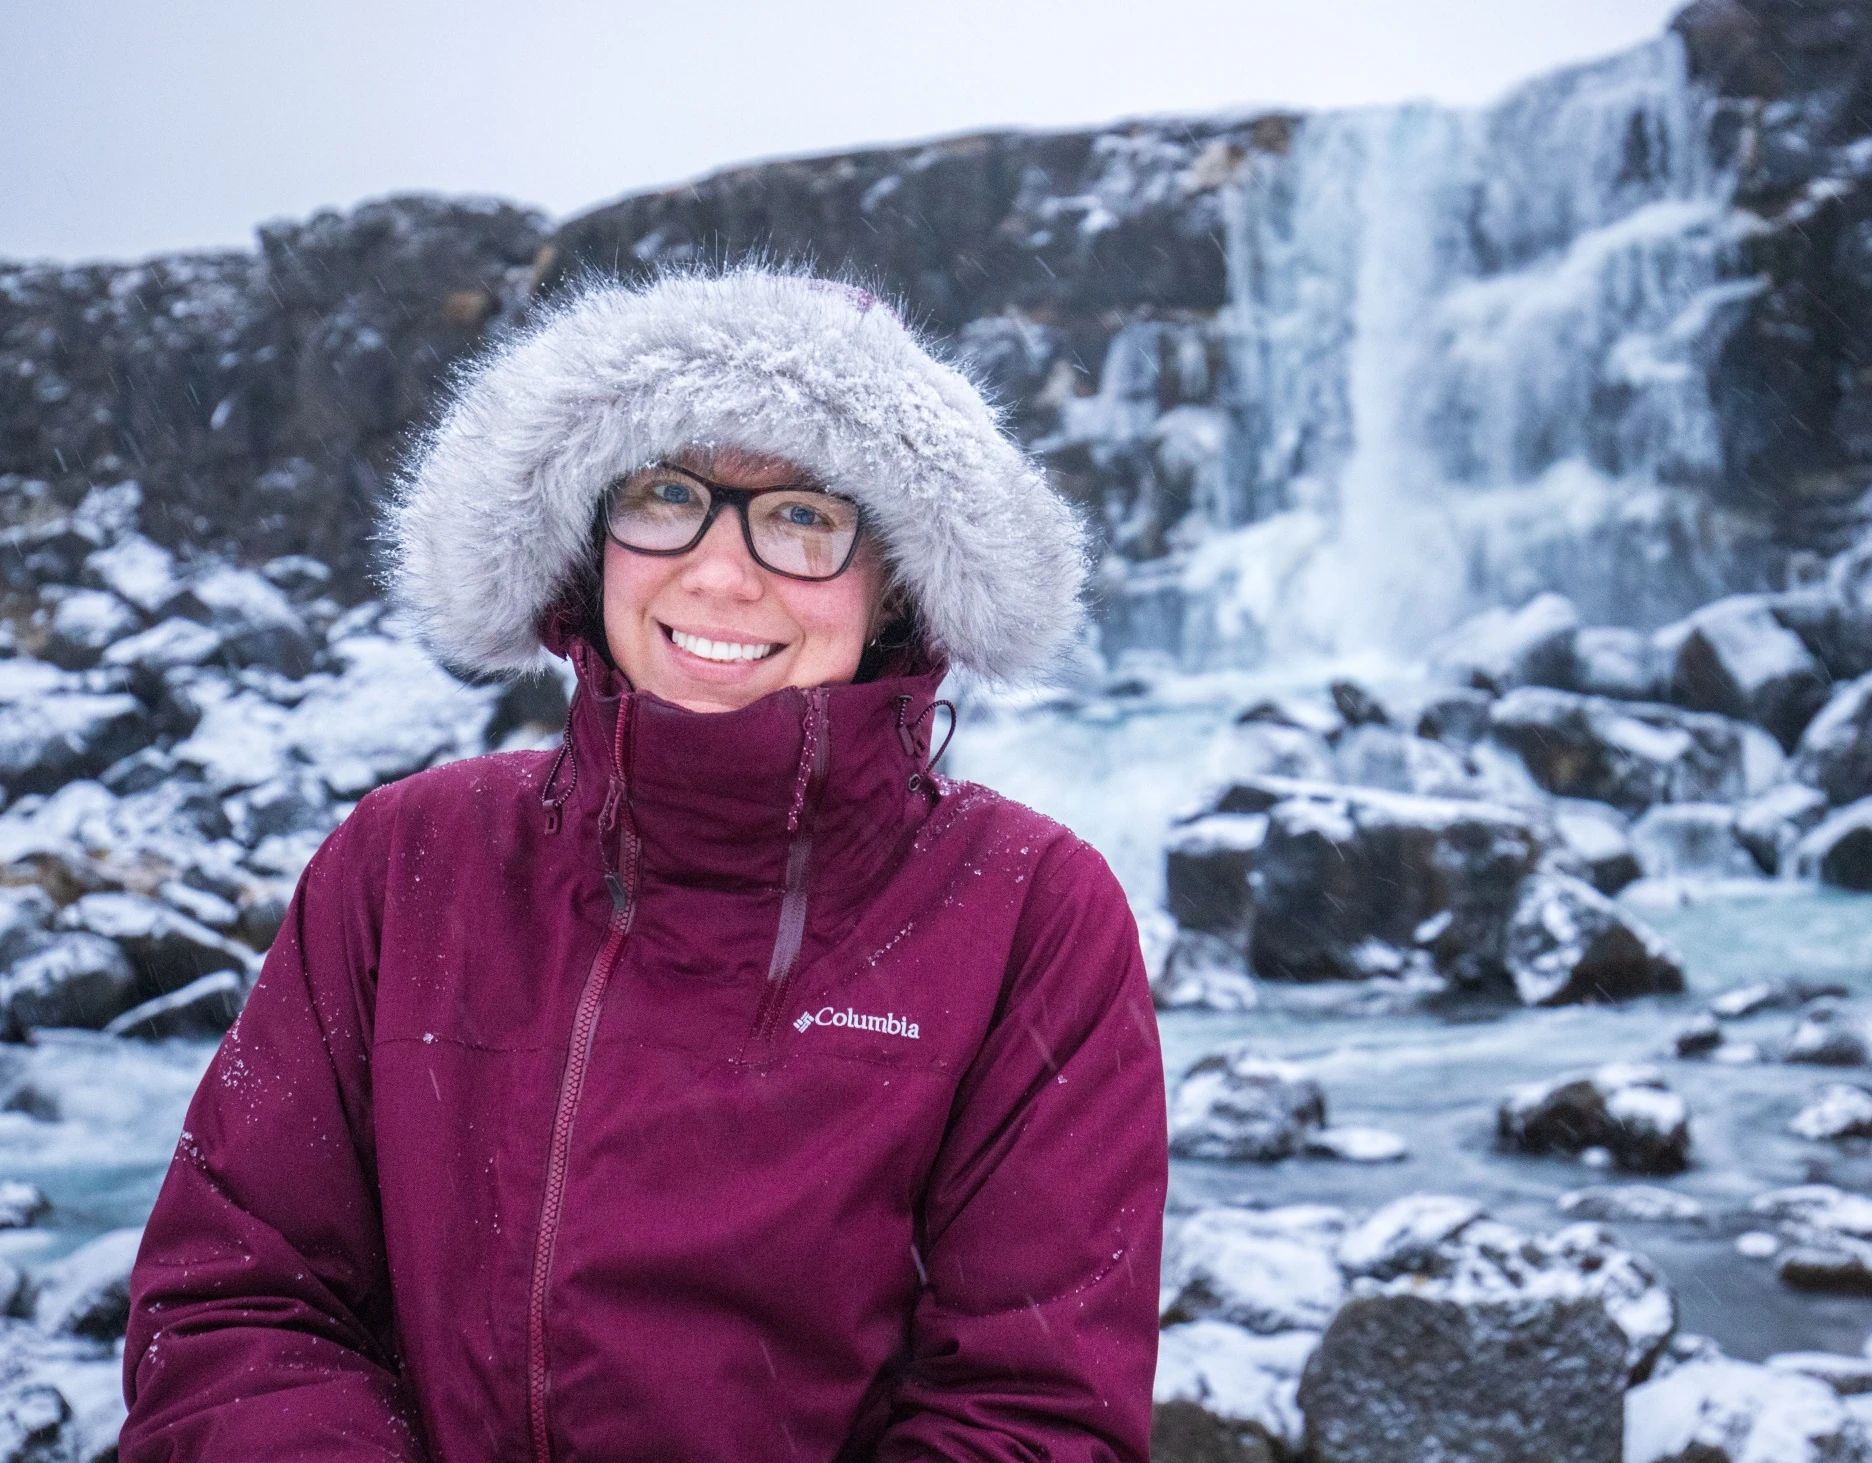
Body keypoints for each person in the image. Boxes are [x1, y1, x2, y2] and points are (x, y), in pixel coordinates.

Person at [118, 266, 1170, 1461]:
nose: (719, 573)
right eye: (667, 494)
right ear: (589, 540)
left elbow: (1031, 1414)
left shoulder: (1027, 910)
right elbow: (233, 1301)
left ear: (894, 589)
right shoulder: (407, 863)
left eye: (804, 515)